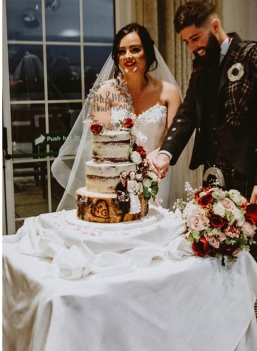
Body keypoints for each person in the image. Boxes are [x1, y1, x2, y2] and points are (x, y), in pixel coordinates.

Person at [152, 1, 257, 351]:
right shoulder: (202, 68)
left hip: (255, 183)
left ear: (215, 26)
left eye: (196, 38)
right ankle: (234, 334)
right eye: (186, 42)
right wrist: (167, 152)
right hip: (217, 179)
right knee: (220, 258)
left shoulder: (256, 58)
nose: (192, 47)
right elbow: (188, 113)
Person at [52, 23, 183, 210]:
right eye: (122, 51)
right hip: (114, 177)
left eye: (135, 49)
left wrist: (159, 154)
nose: (128, 56)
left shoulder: (169, 92)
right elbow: (102, 141)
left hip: (155, 175)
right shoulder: (105, 92)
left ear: (148, 52)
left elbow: (173, 138)